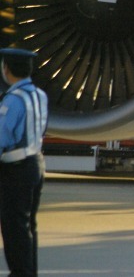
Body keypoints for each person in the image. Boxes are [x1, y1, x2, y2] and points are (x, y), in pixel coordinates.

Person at [0, 48, 48, 277]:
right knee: (29, 225)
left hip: (16, 169)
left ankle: (20, 273)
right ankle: (29, 271)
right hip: (36, 164)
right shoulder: (39, 95)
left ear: (6, 69)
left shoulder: (13, 100)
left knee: (14, 226)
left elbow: (2, 137)